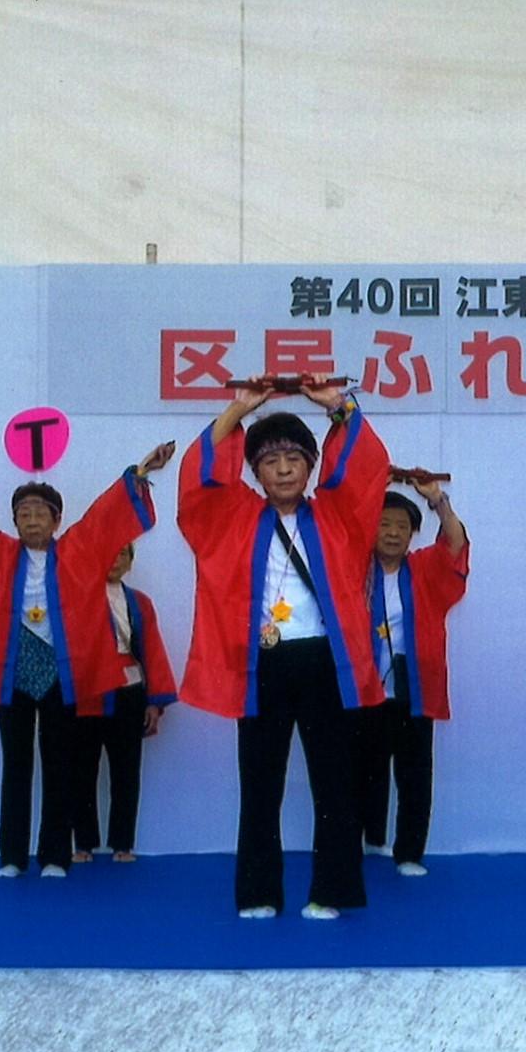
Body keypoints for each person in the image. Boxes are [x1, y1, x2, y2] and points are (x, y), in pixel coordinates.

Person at [178, 375, 389, 920]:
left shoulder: (339, 514)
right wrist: (237, 412)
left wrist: (338, 406)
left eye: (295, 458)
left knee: (334, 784)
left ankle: (333, 890)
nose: (284, 469)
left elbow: (367, 470)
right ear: (254, 471)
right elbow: (197, 488)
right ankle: (258, 893)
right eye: (270, 461)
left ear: (312, 465)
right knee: (260, 784)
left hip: (324, 661)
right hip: (262, 664)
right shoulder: (234, 517)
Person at [0, 443, 172, 879]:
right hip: (15, 668)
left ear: (57, 520)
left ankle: (55, 856)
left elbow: (104, 515)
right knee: (16, 765)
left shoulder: (78, 550)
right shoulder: (0, 553)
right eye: (23, 513)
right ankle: (11, 857)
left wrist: (139, 473)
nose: (31, 520)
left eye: (40, 513)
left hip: (63, 671)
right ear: (14, 521)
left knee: (59, 764)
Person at [357, 484, 469, 876]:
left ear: (412, 534)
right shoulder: (354, 570)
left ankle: (408, 853)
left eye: (402, 526)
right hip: (365, 689)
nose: (392, 532)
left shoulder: (424, 568)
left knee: (414, 775)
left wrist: (438, 501)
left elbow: (456, 544)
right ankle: (371, 839)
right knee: (365, 771)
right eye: (384, 523)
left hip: (414, 688)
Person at [70, 543, 179, 863]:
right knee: (82, 770)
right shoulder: (77, 597)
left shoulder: (140, 603)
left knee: (126, 771)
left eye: (122, 554)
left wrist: (154, 702)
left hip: (128, 690)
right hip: (88, 692)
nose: (114, 560)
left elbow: (152, 651)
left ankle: (123, 843)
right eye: (108, 552)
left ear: (130, 562)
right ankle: (83, 843)